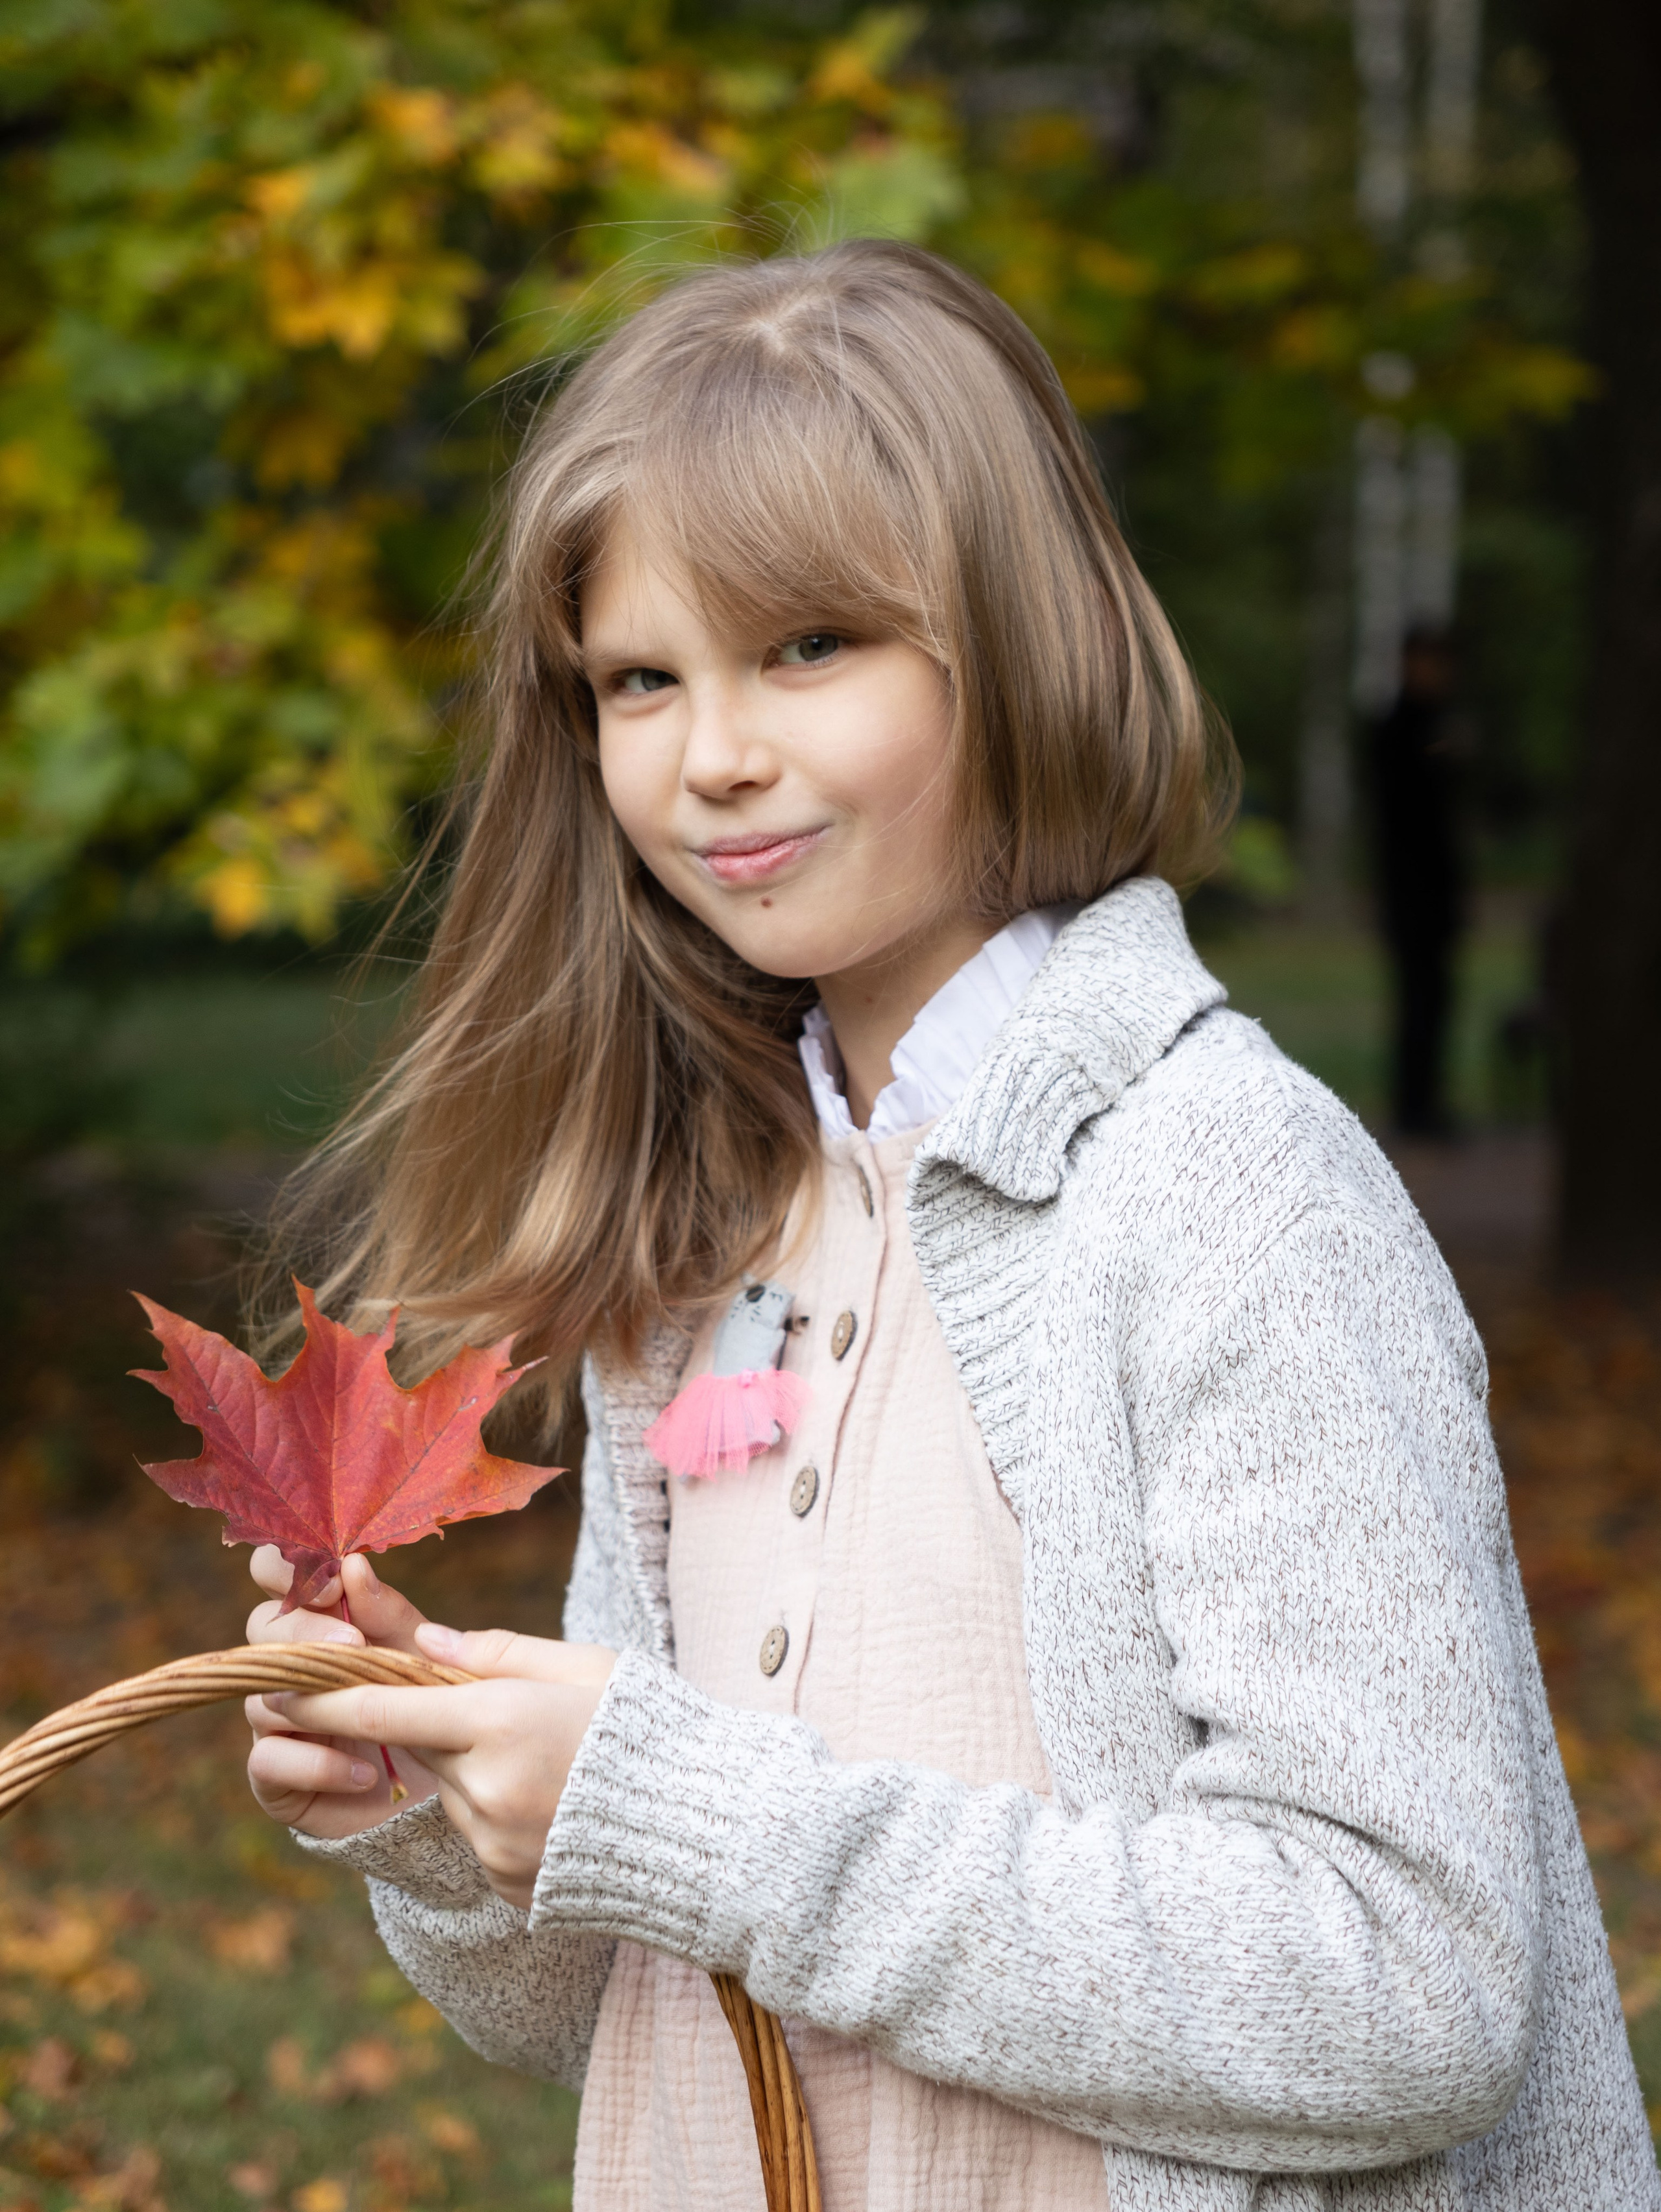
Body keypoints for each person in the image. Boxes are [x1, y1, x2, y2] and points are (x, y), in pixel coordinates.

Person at [239, 243, 1655, 2209]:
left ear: (1014, 636)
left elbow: (1400, 1983)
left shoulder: (1223, 1188)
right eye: (640, 677)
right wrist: (444, 1800)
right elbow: (602, 1998)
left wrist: (697, 1813)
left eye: (806, 645)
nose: (711, 749)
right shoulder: (697, 1220)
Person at [1370, 623, 1466, 1136]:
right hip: (1411, 896)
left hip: (1436, 894)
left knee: (1437, 999)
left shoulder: (1434, 723)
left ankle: (1427, 1103)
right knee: (1417, 1003)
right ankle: (1414, 1109)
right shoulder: (1400, 730)